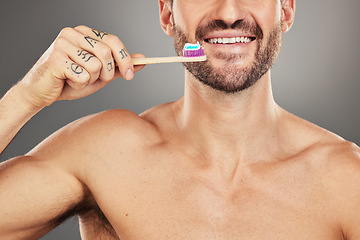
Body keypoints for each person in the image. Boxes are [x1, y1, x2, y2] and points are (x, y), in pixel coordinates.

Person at [0, 0, 359, 239]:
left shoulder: (346, 180)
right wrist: (26, 96)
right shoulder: (104, 152)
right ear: (167, 14)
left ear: (286, 10)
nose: (230, 11)